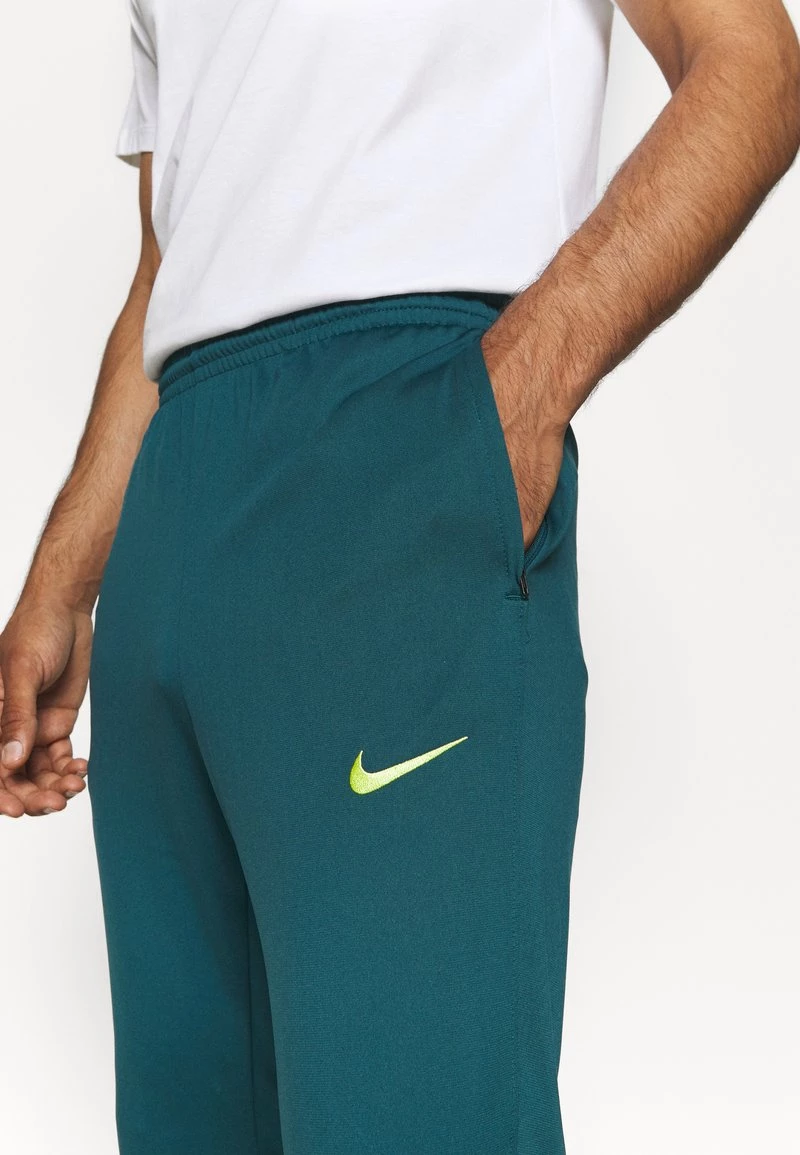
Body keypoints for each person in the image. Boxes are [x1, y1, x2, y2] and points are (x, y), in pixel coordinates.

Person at [2, 1, 799, 1152]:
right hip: (173, 498)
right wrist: (64, 582)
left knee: (414, 1117)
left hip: (397, 448)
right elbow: (171, 259)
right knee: (191, 1123)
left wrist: (510, 401)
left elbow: (748, 61)